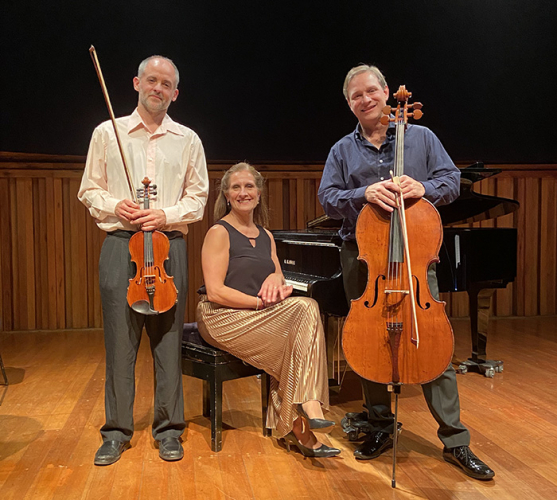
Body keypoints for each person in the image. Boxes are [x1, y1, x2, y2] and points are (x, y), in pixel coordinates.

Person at [318, 64, 495, 480]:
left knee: (434, 343)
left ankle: (455, 440)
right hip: (363, 257)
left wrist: (424, 188)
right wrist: (364, 193)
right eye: (357, 95)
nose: (366, 99)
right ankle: (380, 426)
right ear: (350, 104)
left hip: (414, 259)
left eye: (371, 91)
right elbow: (327, 198)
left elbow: (451, 181)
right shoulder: (342, 150)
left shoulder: (423, 138)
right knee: (367, 343)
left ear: (384, 92)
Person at [78, 55, 209, 465]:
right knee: (120, 343)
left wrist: (165, 214)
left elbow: (198, 198)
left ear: (175, 92)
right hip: (122, 245)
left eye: (166, 83)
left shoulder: (188, 139)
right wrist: (116, 205)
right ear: (136, 83)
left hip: (169, 247)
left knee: (169, 342)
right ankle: (116, 431)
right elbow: (90, 190)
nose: (158, 88)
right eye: (151, 80)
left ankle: (169, 430)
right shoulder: (107, 132)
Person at [196, 162, 340, 458]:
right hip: (221, 316)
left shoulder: (266, 236)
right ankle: (306, 410)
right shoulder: (219, 232)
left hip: (256, 316)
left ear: (259, 194)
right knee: (306, 308)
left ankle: (297, 428)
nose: (243, 192)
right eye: (235, 187)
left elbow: (277, 277)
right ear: (225, 195)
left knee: (298, 330)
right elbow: (215, 291)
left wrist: (276, 277)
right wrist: (260, 303)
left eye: (249, 186)